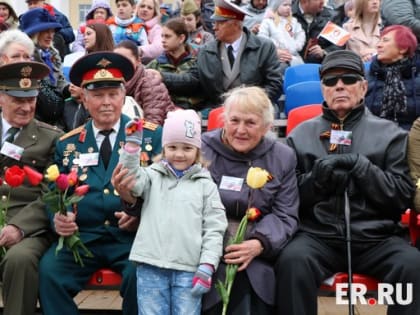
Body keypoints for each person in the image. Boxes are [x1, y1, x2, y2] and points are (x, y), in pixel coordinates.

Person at [277, 49, 420, 315]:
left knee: (412, 264)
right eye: (331, 81)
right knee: (292, 261)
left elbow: (401, 197)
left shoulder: (391, 134)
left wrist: (364, 170)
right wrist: (317, 179)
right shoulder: (300, 135)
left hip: (376, 236)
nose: (339, 85)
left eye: (349, 79)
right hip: (318, 236)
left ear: (363, 87)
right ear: (323, 89)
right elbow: (289, 199)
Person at [37, 52, 160, 315]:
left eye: (113, 94)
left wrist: (141, 217)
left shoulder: (149, 137)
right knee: (49, 273)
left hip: (132, 239)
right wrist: (57, 217)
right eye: (97, 95)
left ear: (123, 96)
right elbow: (54, 190)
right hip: (82, 237)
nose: (106, 103)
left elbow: (165, 190)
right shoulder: (67, 143)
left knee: (141, 276)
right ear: (84, 96)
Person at [115, 109, 227, 314]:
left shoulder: (206, 185)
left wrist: (207, 264)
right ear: (164, 148)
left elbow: (214, 228)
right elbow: (133, 183)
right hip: (151, 266)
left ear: (197, 151)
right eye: (173, 147)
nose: (179, 154)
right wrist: (131, 148)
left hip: (189, 269)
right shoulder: (152, 176)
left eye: (187, 148)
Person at [199, 86, 299, 314]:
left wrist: (259, 243)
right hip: (207, 243)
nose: (240, 130)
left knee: (253, 284)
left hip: (256, 243)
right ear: (224, 120)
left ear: (266, 127)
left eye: (251, 123)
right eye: (234, 120)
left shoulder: (282, 157)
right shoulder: (202, 149)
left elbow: (285, 213)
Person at [0, 61, 63, 315]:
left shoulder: (52, 138)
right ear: (1, 98)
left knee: (20, 260)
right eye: (17, 99)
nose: (26, 107)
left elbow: (53, 193)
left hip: (29, 228)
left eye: (31, 99)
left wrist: (19, 227)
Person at [154, 0, 283, 115]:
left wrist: (252, 104)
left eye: (219, 23)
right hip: (217, 112)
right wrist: (163, 77)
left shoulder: (264, 48)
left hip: (254, 111)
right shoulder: (206, 51)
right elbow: (192, 79)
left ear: (235, 24)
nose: (214, 27)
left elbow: (274, 84)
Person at [19, 7, 68, 127]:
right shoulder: (24, 56)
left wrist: (69, 90)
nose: (50, 35)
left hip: (55, 115)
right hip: (32, 115)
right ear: (33, 33)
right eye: (45, 31)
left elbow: (60, 81)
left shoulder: (53, 54)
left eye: (52, 31)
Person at [365, 25, 419, 130]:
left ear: (403, 48)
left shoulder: (417, 75)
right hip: (374, 135)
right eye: (379, 41)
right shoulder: (367, 76)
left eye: (385, 41)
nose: (378, 45)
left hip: (412, 138)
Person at [114, 40, 176, 126]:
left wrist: (133, 137)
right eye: (117, 60)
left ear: (138, 61)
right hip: (123, 132)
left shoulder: (149, 82)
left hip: (155, 132)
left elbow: (154, 121)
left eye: (126, 60)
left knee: (128, 102)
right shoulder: (112, 80)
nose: (121, 64)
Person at [147, 18, 202, 110]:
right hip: (162, 112)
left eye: (167, 36)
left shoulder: (196, 62)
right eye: (162, 36)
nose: (163, 40)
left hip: (192, 113)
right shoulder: (155, 64)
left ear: (181, 38)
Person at [258, 0, 306, 68]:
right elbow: (262, 38)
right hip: (276, 58)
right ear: (276, 6)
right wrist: (274, 51)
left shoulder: (293, 22)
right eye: (285, 5)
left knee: (300, 70)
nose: (288, 7)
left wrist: (296, 45)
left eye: (290, 5)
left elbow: (300, 34)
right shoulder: (268, 21)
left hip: (293, 56)